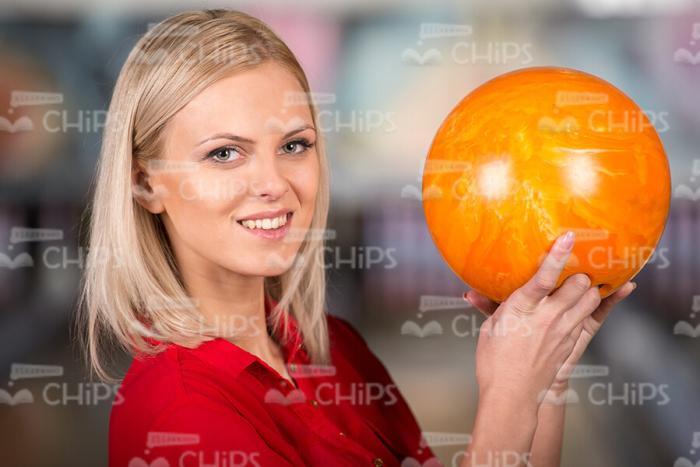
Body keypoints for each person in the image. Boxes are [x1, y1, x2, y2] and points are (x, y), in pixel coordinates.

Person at [77, 9, 636, 467]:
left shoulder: (333, 349)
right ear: (144, 182)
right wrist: (508, 400)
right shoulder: (182, 421)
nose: (275, 184)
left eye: (294, 145)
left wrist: (543, 383)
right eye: (225, 153)